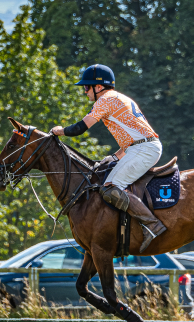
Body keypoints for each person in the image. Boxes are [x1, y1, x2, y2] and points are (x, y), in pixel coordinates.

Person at [51, 64, 166, 252]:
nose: (85, 92)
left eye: (86, 87)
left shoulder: (105, 100)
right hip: (141, 147)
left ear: (99, 87)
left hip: (144, 149)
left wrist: (60, 131)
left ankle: (152, 225)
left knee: (110, 188)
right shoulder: (119, 98)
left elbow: (80, 128)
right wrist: (113, 157)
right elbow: (131, 138)